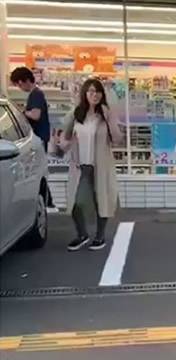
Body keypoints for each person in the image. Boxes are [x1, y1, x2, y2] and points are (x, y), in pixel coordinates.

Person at [61, 78, 122, 252]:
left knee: (101, 201)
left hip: (100, 166)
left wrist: (109, 118)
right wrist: (59, 146)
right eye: (90, 91)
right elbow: (65, 138)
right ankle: (82, 234)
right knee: (76, 203)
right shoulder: (76, 113)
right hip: (81, 166)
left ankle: (99, 235)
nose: (94, 95)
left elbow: (117, 139)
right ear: (85, 94)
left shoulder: (106, 114)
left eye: (97, 91)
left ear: (102, 94)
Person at [10, 67, 50, 152]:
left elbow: (35, 115)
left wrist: (22, 112)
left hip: (39, 137)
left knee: (38, 163)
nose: (20, 88)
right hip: (39, 137)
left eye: (19, 85)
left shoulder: (36, 94)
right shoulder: (35, 94)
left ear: (25, 81)